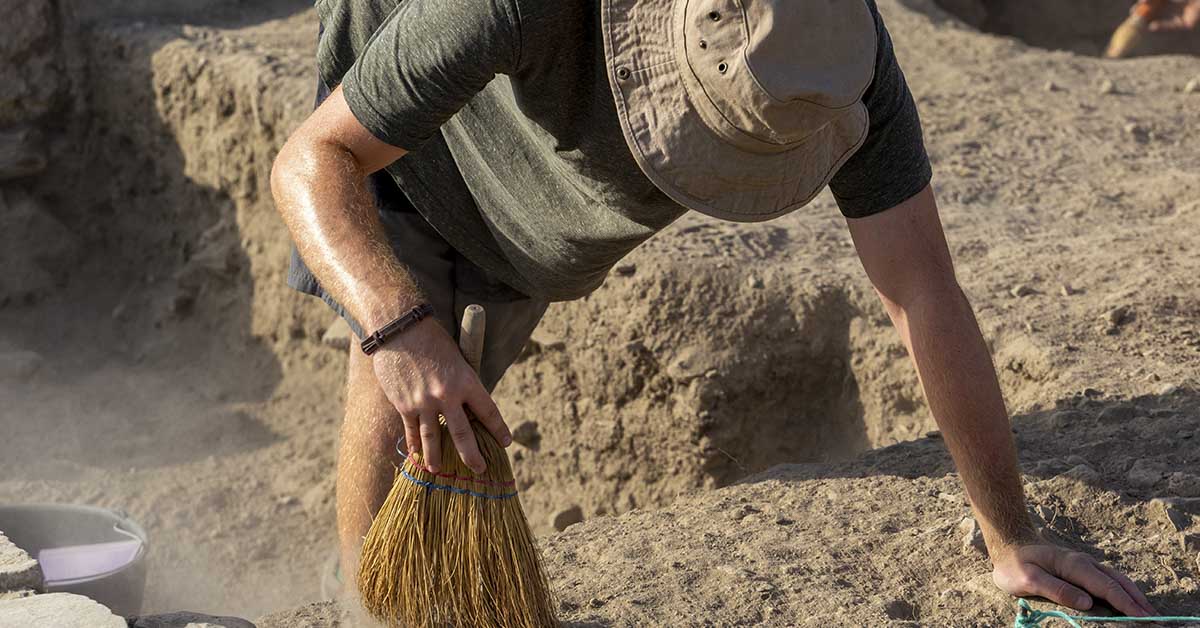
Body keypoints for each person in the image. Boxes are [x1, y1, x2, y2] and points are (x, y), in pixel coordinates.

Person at [271, 0, 1157, 617]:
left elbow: (923, 292)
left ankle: (392, 555)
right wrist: (395, 329)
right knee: (404, 376)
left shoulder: (833, 55)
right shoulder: (514, 5)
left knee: (464, 377)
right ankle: (368, 608)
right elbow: (311, 160)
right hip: (402, 138)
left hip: (539, 198)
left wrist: (1013, 536)